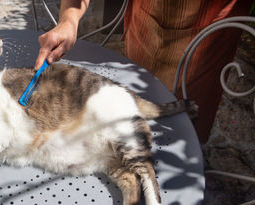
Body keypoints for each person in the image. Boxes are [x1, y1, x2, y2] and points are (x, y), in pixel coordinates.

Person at [34, 0, 252, 143]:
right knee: (128, 116)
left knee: (182, 132)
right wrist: (68, 21)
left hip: (206, 35)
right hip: (146, 23)